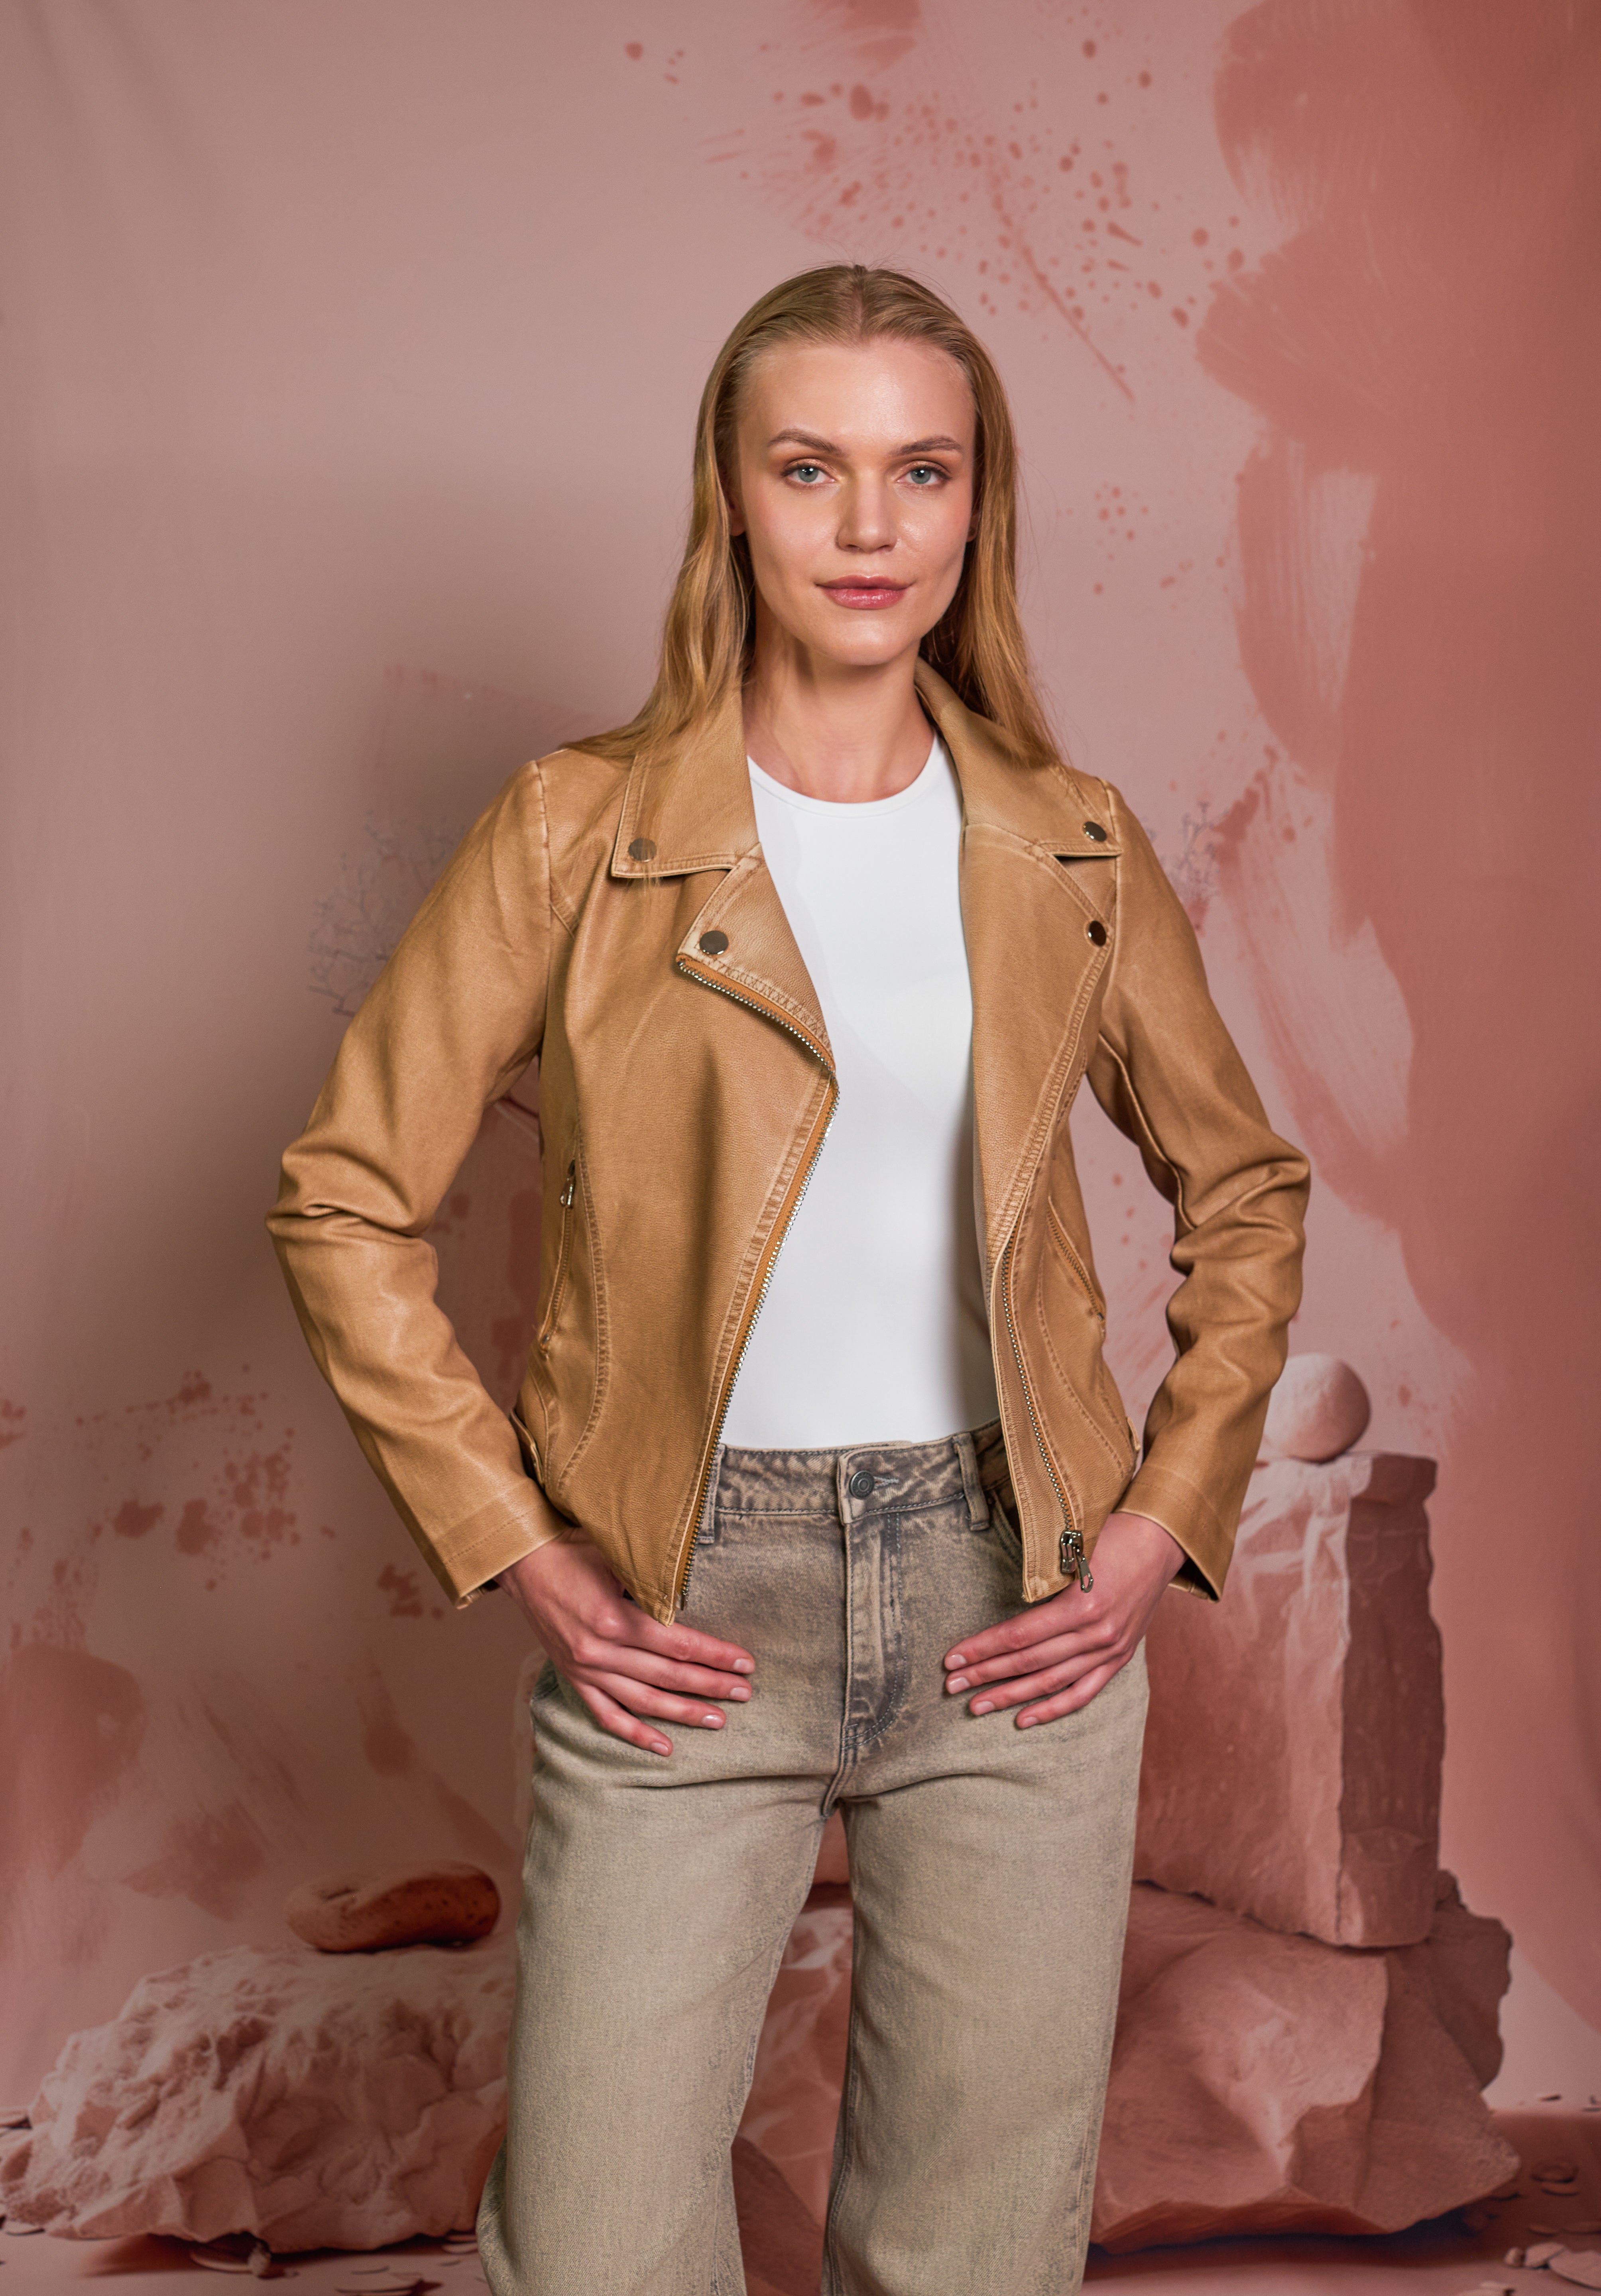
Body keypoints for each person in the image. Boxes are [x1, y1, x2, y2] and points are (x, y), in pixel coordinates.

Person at [269, 264, 1309, 2296]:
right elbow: (343, 1197)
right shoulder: (575, 832)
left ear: (975, 504)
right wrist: (520, 1548)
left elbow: (1244, 1193)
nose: (867, 526)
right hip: (685, 1601)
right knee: (594, 2251)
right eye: (809, 468)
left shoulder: (1071, 846)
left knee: (971, 2256)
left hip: (1010, 1599)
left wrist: (1155, 1524)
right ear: (729, 498)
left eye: (921, 471)